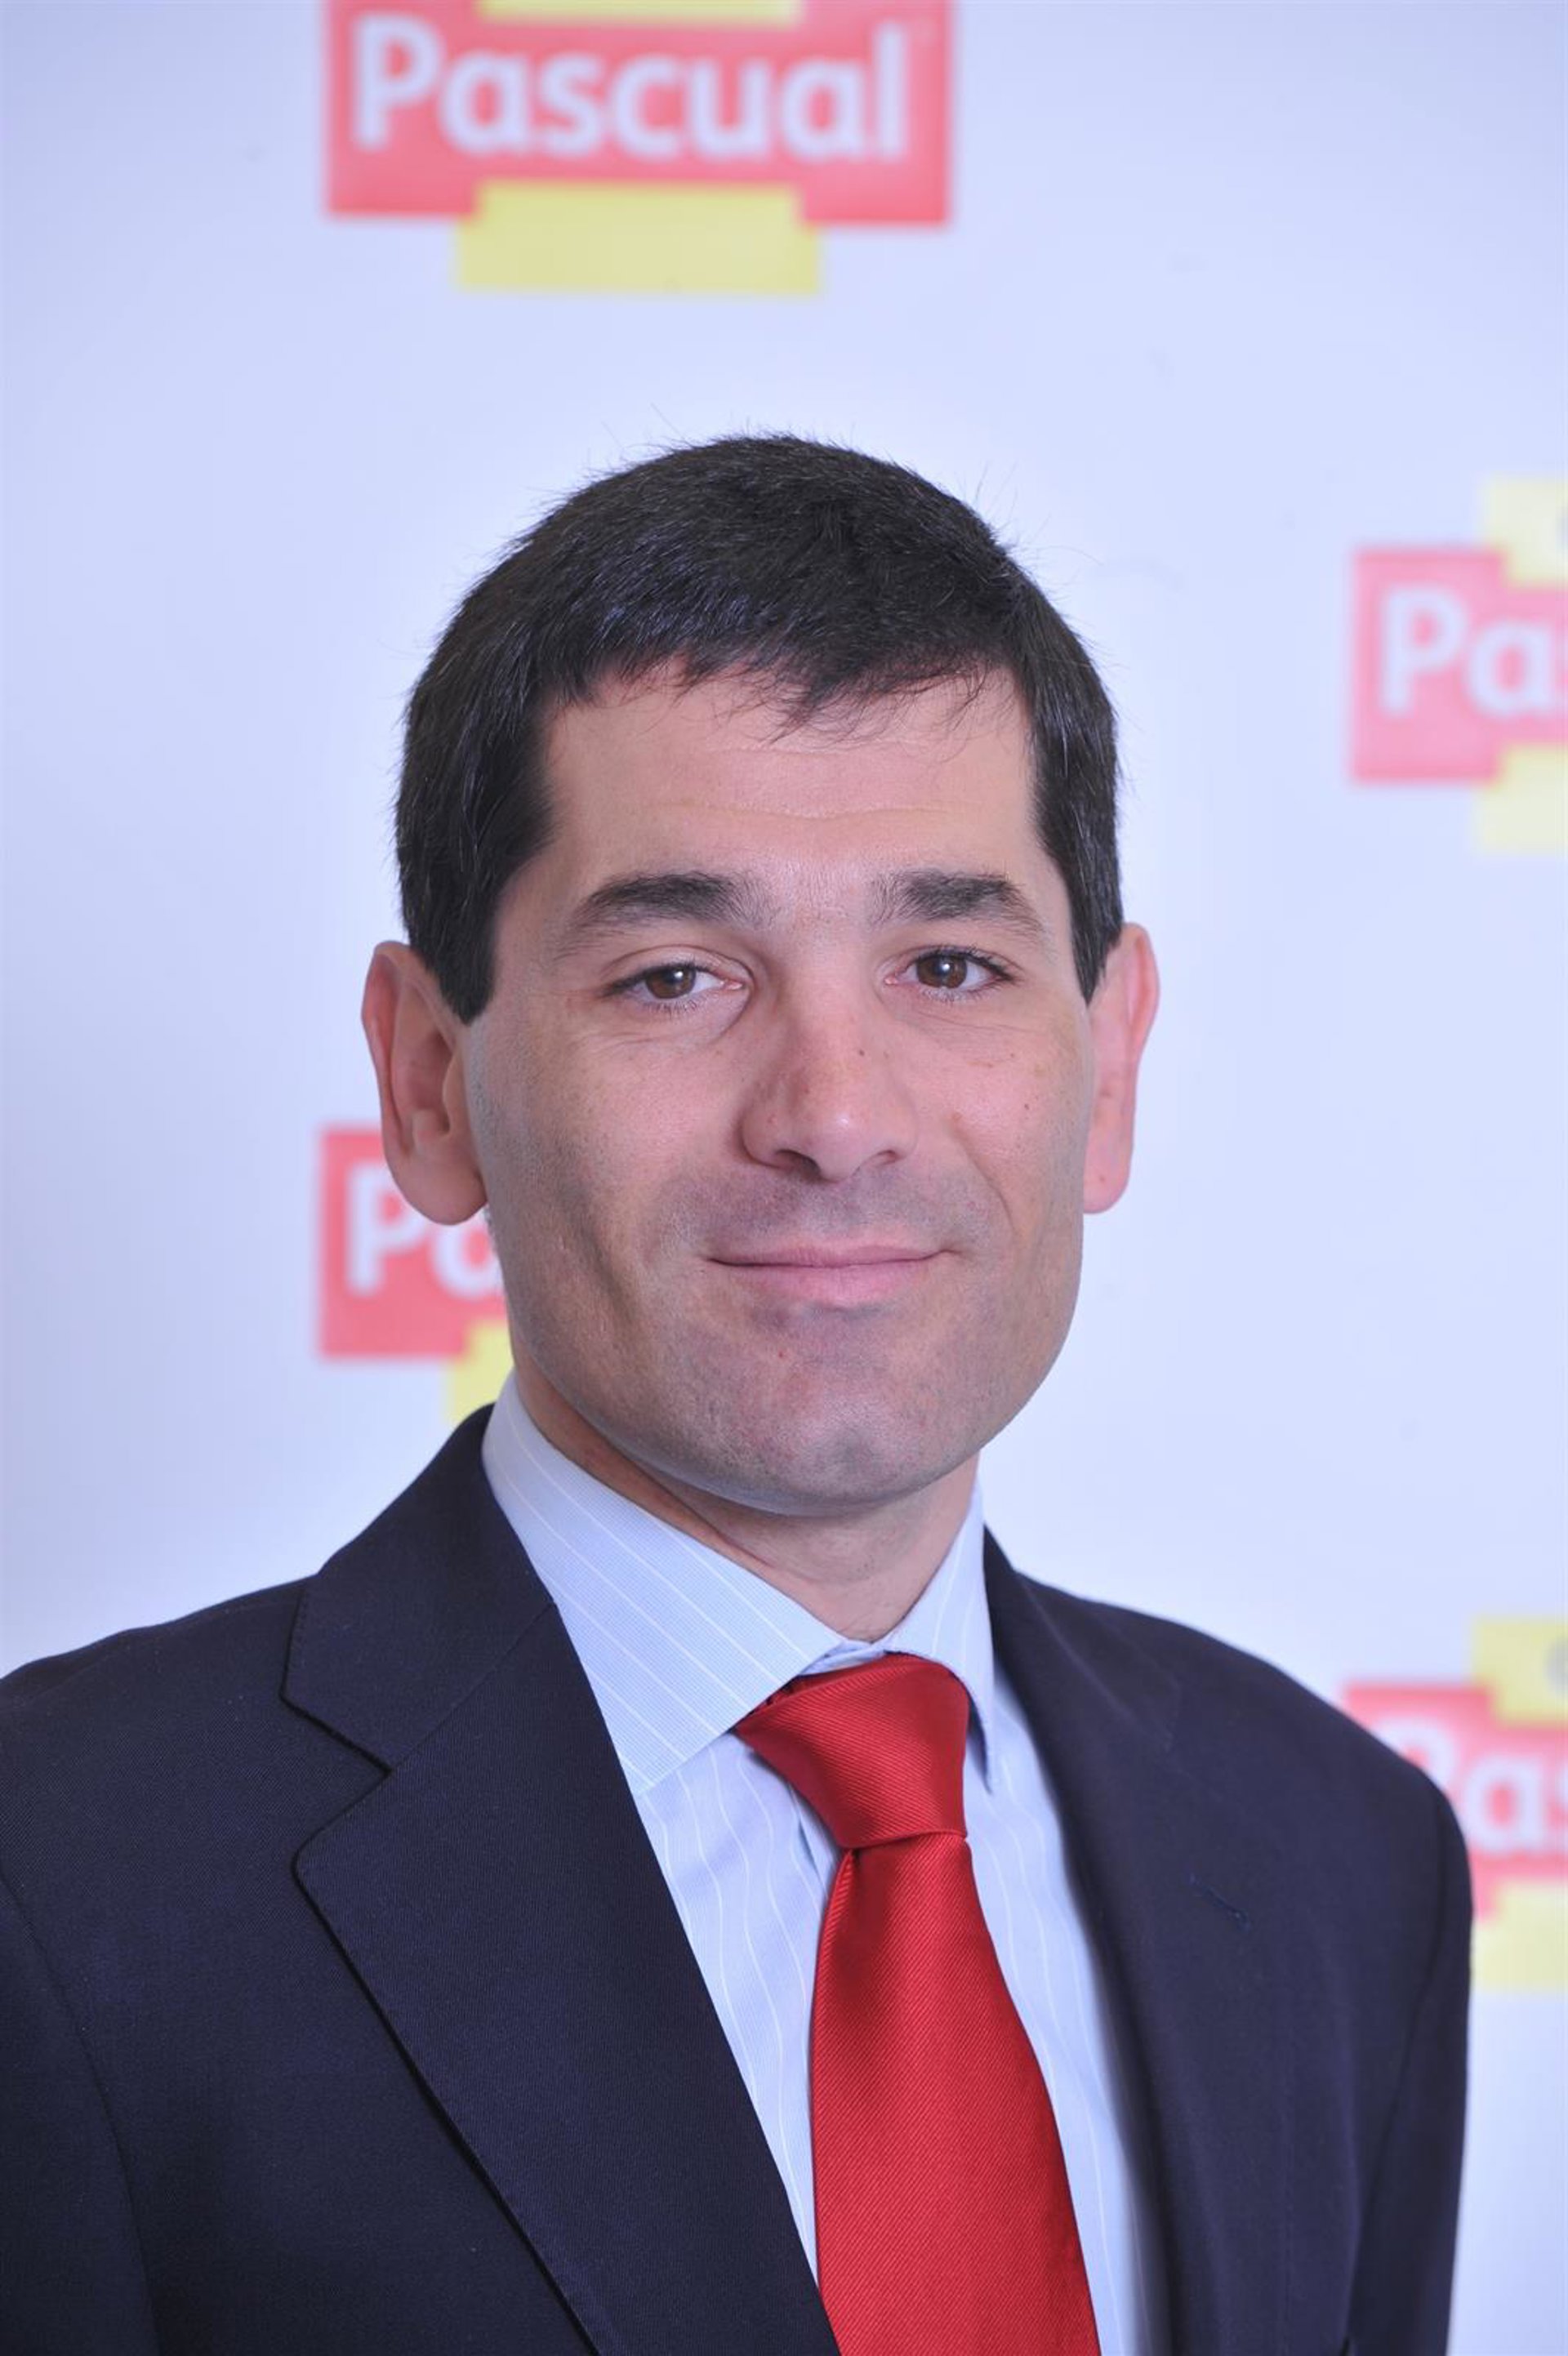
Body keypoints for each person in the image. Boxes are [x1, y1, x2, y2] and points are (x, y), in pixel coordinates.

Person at [0, 435, 1468, 2356]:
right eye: (677, 978)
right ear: (430, 1084)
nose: (835, 1116)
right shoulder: (59, 1879)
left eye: (950, 964)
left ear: (1109, 1069)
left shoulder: (1341, 1858)